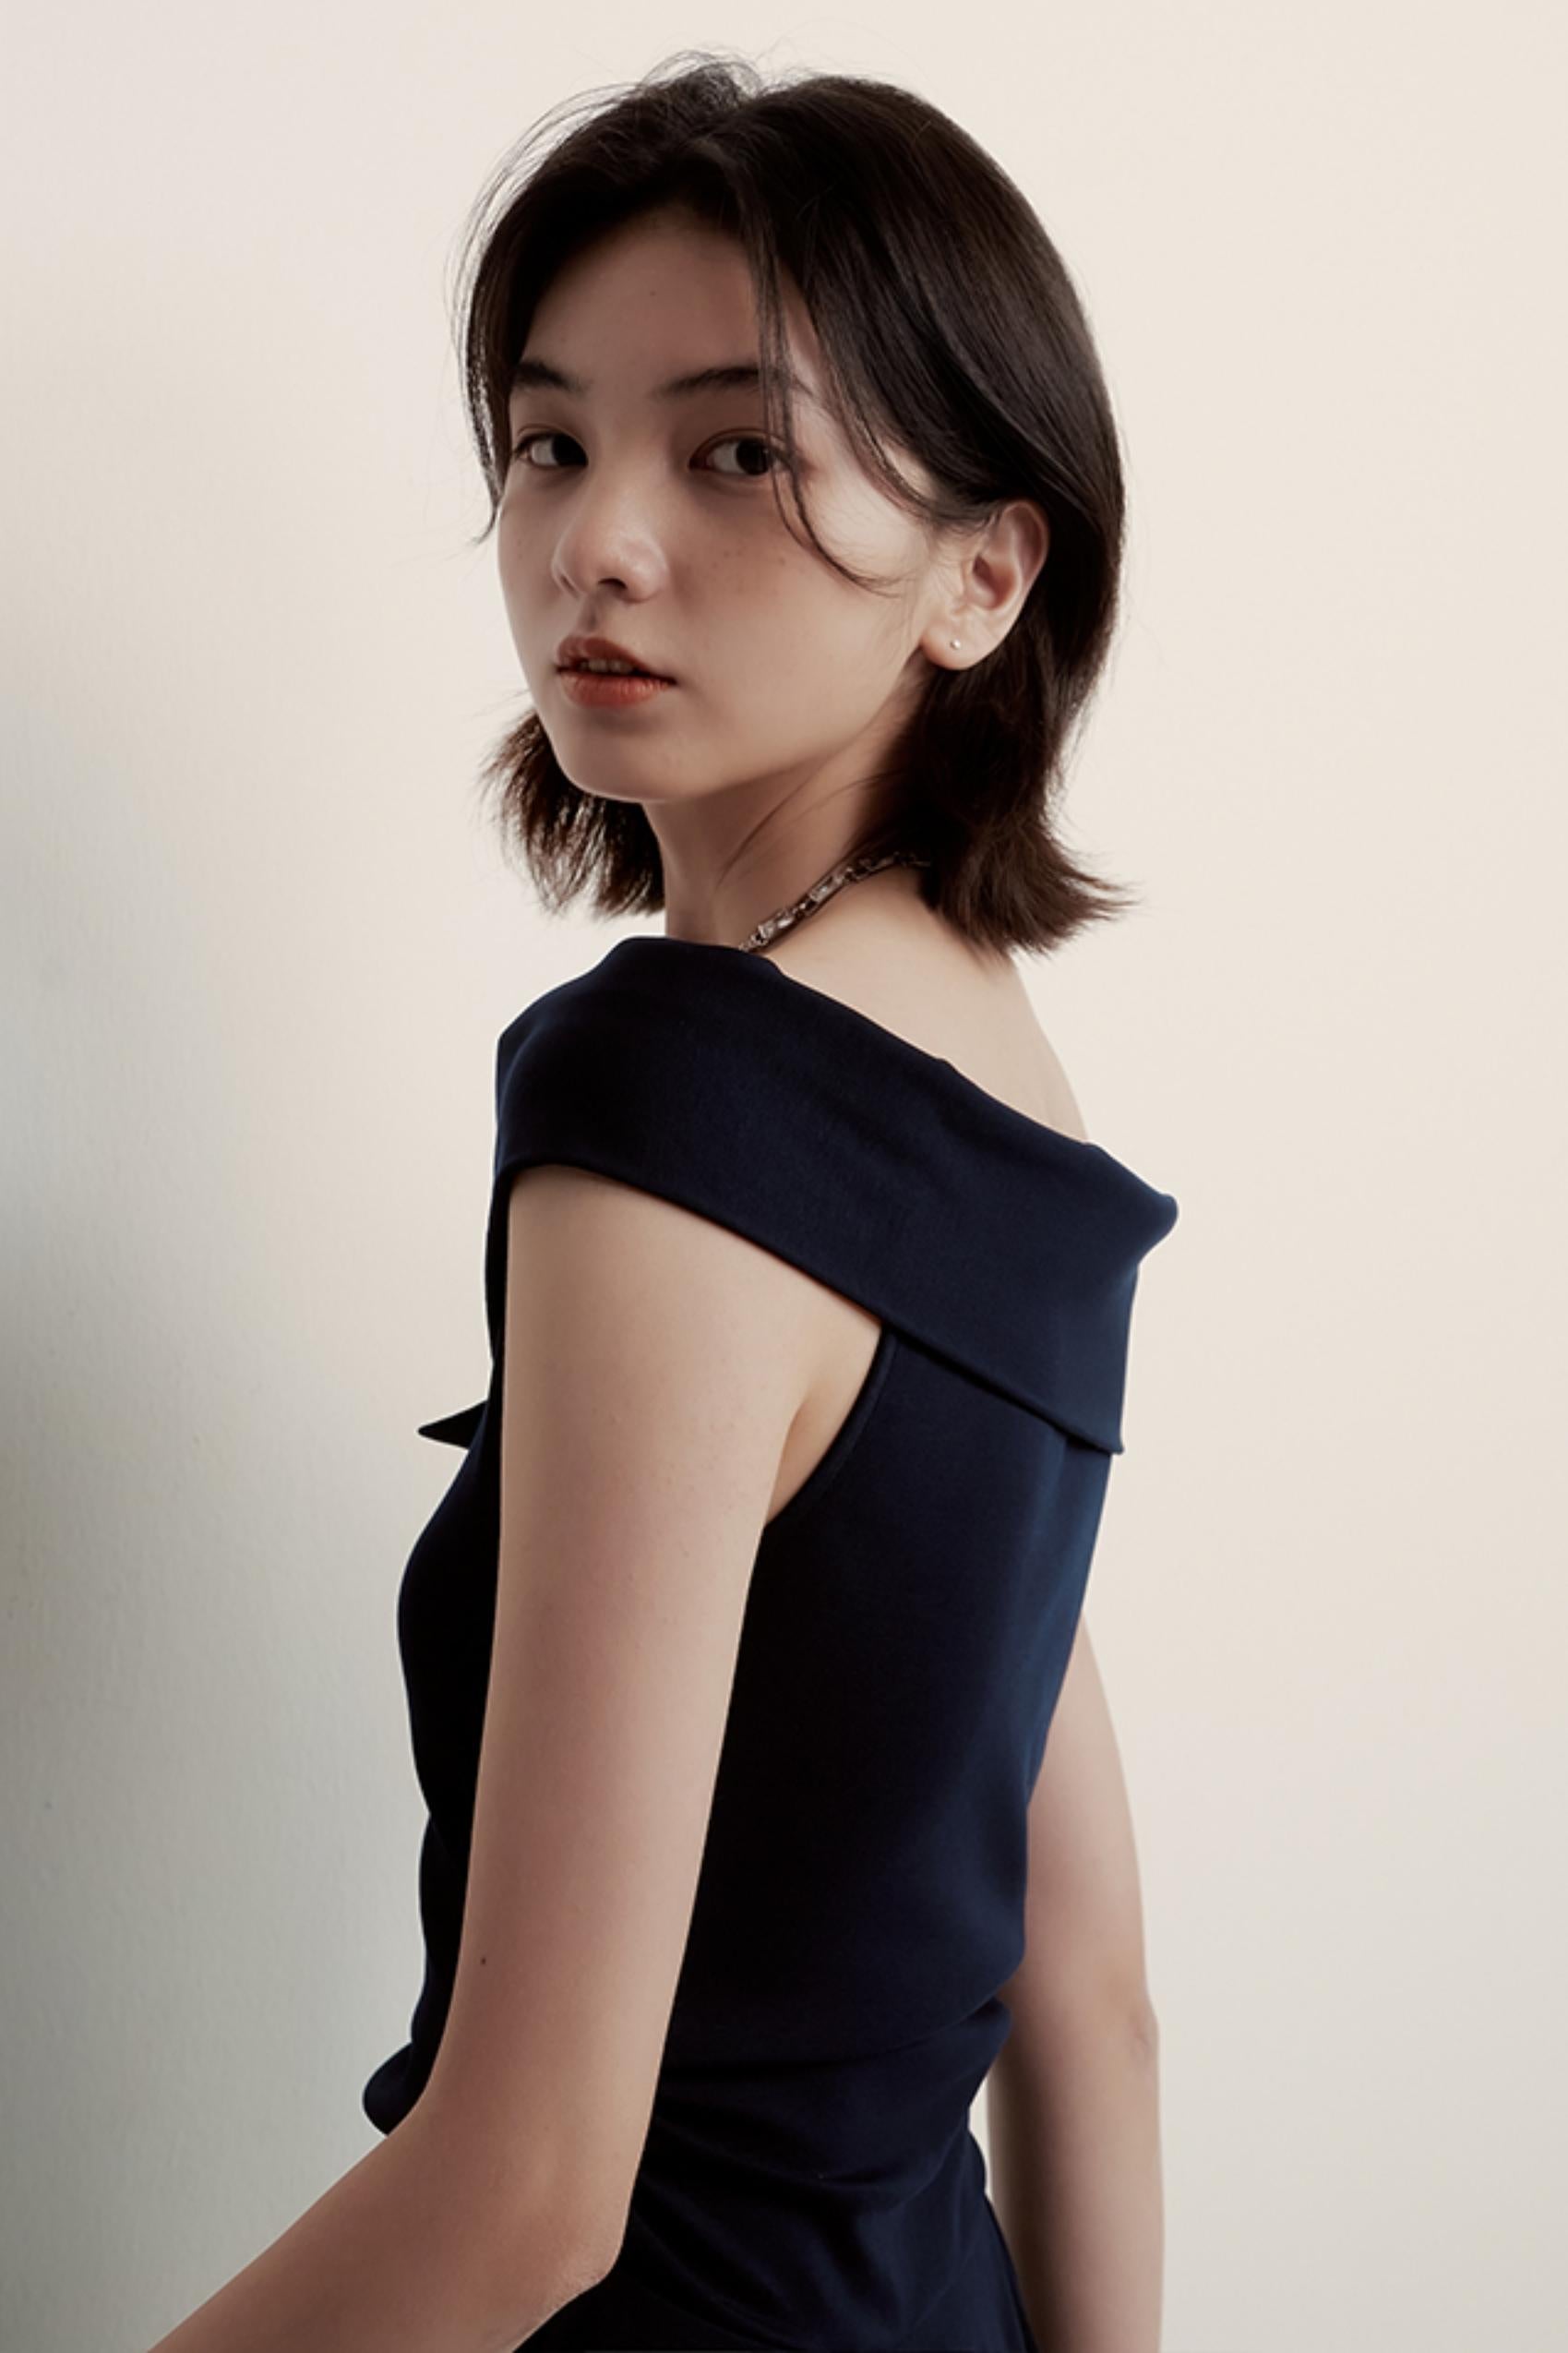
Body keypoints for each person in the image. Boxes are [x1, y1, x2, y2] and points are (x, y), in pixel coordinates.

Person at [146, 52, 1177, 2353]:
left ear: (985, 572)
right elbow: (1088, 1988)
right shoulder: (998, 1100)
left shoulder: (686, 1108)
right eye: (548, 442)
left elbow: (528, 2191)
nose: (595, 543)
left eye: (735, 454)